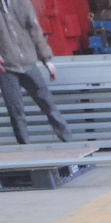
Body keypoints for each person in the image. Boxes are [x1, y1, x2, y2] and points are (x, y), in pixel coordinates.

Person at [0, 0, 73, 146]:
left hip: (29, 62)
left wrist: (47, 60)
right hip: (6, 68)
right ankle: (25, 148)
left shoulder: (22, 3)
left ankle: (68, 142)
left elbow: (35, 30)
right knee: (16, 110)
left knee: (47, 103)